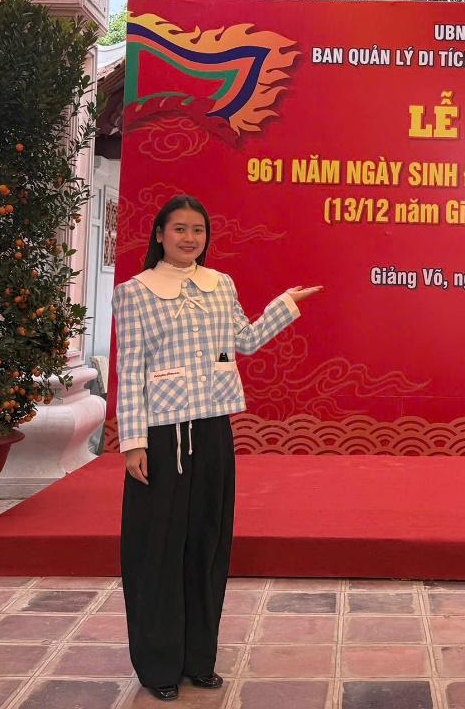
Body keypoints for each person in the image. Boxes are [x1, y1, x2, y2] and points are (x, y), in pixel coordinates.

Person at [112, 194, 321, 699]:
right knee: (159, 549)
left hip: (211, 431)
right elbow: (130, 370)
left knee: (207, 543)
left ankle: (198, 658)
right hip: (162, 437)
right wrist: (133, 442)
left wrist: (285, 304)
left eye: (198, 230)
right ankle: (159, 665)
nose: (190, 238)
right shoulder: (135, 292)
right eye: (180, 229)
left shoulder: (220, 284)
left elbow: (243, 341)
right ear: (159, 234)